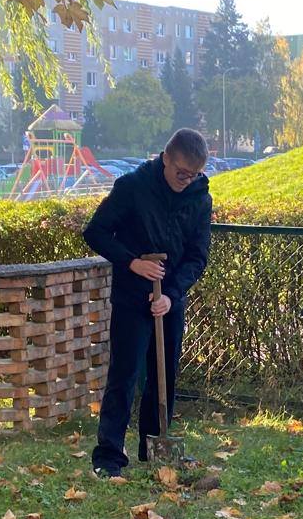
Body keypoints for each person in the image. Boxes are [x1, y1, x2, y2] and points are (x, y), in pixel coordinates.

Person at [83, 128, 212, 476]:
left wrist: (172, 295)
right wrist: (132, 262)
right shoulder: (132, 187)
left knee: (164, 375)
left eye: (194, 174)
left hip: (169, 301)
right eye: (181, 173)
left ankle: (154, 448)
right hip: (131, 297)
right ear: (165, 158)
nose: (187, 180)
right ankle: (109, 456)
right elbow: (95, 232)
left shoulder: (199, 198)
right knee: (124, 375)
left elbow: (198, 256)